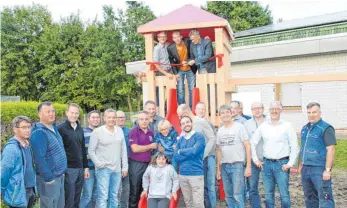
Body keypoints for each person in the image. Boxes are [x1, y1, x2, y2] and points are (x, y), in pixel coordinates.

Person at [251, 101, 299, 208]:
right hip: (266, 165)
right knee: (268, 195)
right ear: (269, 111)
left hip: (282, 164)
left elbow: (294, 146)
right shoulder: (263, 126)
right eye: (272, 109)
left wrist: (290, 163)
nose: (274, 111)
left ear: (281, 110)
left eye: (276, 109)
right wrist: (255, 160)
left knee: (284, 195)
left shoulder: (287, 126)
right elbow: (252, 143)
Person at [177, 103, 216, 208]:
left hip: (202, 160)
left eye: (180, 115)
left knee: (206, 187)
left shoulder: (201, 122)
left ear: (185, 112)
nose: (180, 118)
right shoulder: (186, 124)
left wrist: (203, 154)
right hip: (189, 164)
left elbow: (212, 138)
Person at [299, 102, 336, 207]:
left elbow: (331, 149)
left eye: (314, 112)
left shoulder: (326, 128)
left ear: (320, 112)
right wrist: (301, 163)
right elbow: (303, 147)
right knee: (310, 198)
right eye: (309, 112)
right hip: (306, 168)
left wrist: (327, 170)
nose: (311, 114)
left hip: (319, 169)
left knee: (325, 198)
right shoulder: (305, 128)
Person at [88, 108, 128, 208]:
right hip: (103, 169)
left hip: (117, 169)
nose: (111, 119)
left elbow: (123, 149)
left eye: (113, 117)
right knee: (103, 197)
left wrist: (125, 167)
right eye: (109, 117)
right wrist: (99, 164)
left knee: (114, 196)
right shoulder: (97, 132)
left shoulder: (119, 131)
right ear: (104, 118)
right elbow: (91, 151)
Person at [30, 101, 67, 208]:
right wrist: (49, 178)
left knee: (59, 205)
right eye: (47, 112)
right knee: (49, 205)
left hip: (59, 176)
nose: (51, 114)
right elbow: (39, 158)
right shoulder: (39, 133)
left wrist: (62, 171)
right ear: (39, 114)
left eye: (53, 111)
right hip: (49, 180)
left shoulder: (54, 128)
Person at [216, 105, 252, 208]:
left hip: (237, 165)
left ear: (232, 114)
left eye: (227, 112)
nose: (225, 115)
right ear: (220, 116)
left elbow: (247, 146)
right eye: (222, 113)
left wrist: (248, 166)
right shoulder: (220, 131)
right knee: (228, 195)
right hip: (224, 166)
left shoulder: (239, 127)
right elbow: (219, 150)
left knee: (238, 194)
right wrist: (218, 169)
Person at [58, 103, 89, 208]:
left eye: (76, 113)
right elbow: (58, 151)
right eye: (72, 112)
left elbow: (82, 149)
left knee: (77, 197)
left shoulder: (80, 128)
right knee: (69, 198)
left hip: (80, 168)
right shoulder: (60, 129)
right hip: (69, 169)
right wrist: (61, 169)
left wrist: (85, 167)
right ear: (67, 113)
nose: (74, 115)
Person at [1, 116, 36, 208]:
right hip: (19, 193)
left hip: (30, 190)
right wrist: (4, 191)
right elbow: (4, 173)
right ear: (15, 129)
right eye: (24, 127)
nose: (28, 130)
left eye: (29, 127)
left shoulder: (27, 145)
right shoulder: (11, 149)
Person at [174, 116, 206, 208]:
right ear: (181, 127)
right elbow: (176, 157)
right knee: (188, 203)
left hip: (196, 174)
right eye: (183, 123)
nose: (186, 125)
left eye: (187, 122)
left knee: (198, 204)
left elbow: (195, 151)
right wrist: (189, 152)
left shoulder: (199, 136)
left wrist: (181, 151)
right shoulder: (180, 140)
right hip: (183, 175)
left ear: (192, 123)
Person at [128, 110, 157, 208]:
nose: (144, 121)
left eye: (146, 119)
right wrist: (150, 146)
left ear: (149, 120)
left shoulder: (150, 133)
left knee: (145, 191)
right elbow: (135, 149)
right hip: (136, 164)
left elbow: (154, 149)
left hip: (148, 165)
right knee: (135, 192)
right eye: (141, 119)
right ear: (138, 120)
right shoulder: (133, 131)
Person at [244, 102, 266, 208]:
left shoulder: (270, 122)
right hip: (252, 160)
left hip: (268, 159)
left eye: (259, 108)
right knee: (253, 187)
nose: (257, 110)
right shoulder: (246, 124)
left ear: (263, 109)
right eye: (254, 109)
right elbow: (245, 143)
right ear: (251, 111)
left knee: (269, 188)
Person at [167, 30, 196, 107]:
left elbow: (193, 53)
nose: (177, 39)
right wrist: (175, 73)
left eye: (178, 37)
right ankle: (182, 107)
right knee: (180, 90)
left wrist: (206, 39)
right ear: (173, 39)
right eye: (175, 38)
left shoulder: (188, 41)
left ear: (181, 37)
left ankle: (191, 107)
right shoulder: (170, 48)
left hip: (190, 68)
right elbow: (171, 61)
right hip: (179, 70)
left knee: (192, 89)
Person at [79, 110, 101, 208]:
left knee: (95, 196)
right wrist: (85, 167)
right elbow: (81, 151)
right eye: (93, 117)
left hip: (100, 169)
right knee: (87, 196)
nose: (95, 119)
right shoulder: (83, 133)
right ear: (88, 120)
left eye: (97, 117)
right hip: (88, 169)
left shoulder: (102, 132)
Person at [116, 110, 131, 208]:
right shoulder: (112, 130)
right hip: (114, 165)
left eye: (123, 117)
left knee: (126, 189)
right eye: (119, 117)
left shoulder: (130, 131)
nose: (121, 119)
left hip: (126, 164)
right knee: (115, 189)